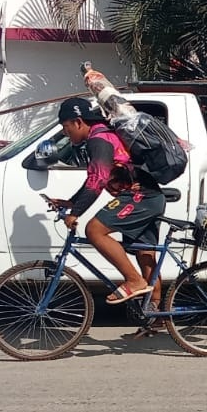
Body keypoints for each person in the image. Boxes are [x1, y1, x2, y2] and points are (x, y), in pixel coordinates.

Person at [50, 97, 166, 305]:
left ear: (78, 122)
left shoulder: (99, 139)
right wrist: (71, 203)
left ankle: (133, 280)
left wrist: (76, 213)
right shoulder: (103, 135)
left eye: (67, 128)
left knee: (94, 230)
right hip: (149, 197)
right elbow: (94, 177)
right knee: (145, 255)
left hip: (140, 197)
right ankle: (155, 315)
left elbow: (98, 180)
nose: (66, 134)